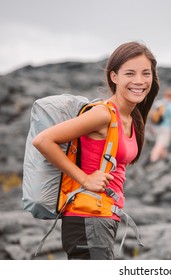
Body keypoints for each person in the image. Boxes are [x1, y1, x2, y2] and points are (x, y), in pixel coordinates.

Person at [32, 42, 160, 259]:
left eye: (145, 73)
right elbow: (44, 140)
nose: (139, 81)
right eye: (130, 73)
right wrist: (85, 179)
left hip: (104, 216)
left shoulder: (132, 116)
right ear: (114, 77)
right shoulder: (102, 114)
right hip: (87, 216)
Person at [150, 88, 171, 163]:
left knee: (164, 144)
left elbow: (152, 116)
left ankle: (164, 159)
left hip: (157, 127)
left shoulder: (158, 103)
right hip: (166, 128)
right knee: (160, 144)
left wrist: (152, 127)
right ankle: (153, 158)